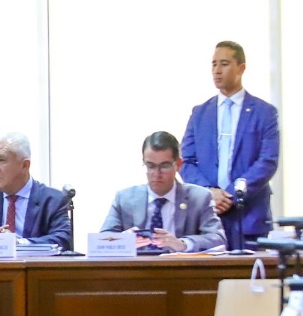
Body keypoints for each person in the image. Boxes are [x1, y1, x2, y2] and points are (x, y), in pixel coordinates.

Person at [181, 40, 279, 250]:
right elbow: (186, 161)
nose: (217, 70)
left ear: (241, 68)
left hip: (249, 215)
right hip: (207, 217)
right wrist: (209, 194)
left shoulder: (264, 112)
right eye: (214, 64)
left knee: (249, 279)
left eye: (224, 64)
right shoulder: (200, 113)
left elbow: (267, 161)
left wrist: (232, 194)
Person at [100, 131, 226, 252]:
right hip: (136, 271)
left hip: (181, 271)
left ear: (178, 164)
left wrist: (182, 244)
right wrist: (123, 240)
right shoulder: (124, 198)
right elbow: (102, 240)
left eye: (164, 166)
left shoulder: (199, 198)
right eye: (151, 166)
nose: (157, 173)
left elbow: (218, 239)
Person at [0, 132, 71, 250]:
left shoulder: (52, 200)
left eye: (1, 160)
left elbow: (63, 240)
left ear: (25, 165)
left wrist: (19, 243)